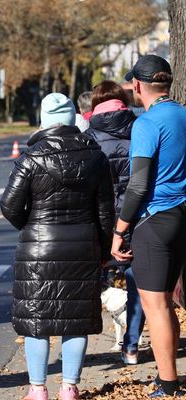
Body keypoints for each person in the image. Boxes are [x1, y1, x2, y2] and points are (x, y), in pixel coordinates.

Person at [1, 92, 115, 400]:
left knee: (38, 319)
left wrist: (31, 225)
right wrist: (104, 249)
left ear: (45, 121)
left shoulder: (31, 158)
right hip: (83, 244)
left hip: (38, 248)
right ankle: (70, 389)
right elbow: (106, 210)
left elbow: (9, 205)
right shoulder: (95, 157)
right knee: (75, 319)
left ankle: (38, 391)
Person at [111, 55, 186, 398]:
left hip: (156, 219)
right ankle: (167, 375)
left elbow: (139, 185)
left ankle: (169, 384)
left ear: (138, 86)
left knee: (155, 304)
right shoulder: (184, 114)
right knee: (169, 299)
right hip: (183, 216)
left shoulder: (147, 123)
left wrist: (120, 230)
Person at [85, 80, 145, 365]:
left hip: (103, 220)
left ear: (95, 105)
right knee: (138, 281)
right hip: (139, 217)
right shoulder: (141, 128)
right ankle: (131, 346)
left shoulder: (89, 137)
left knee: (92, 276)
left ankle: (78, 346)